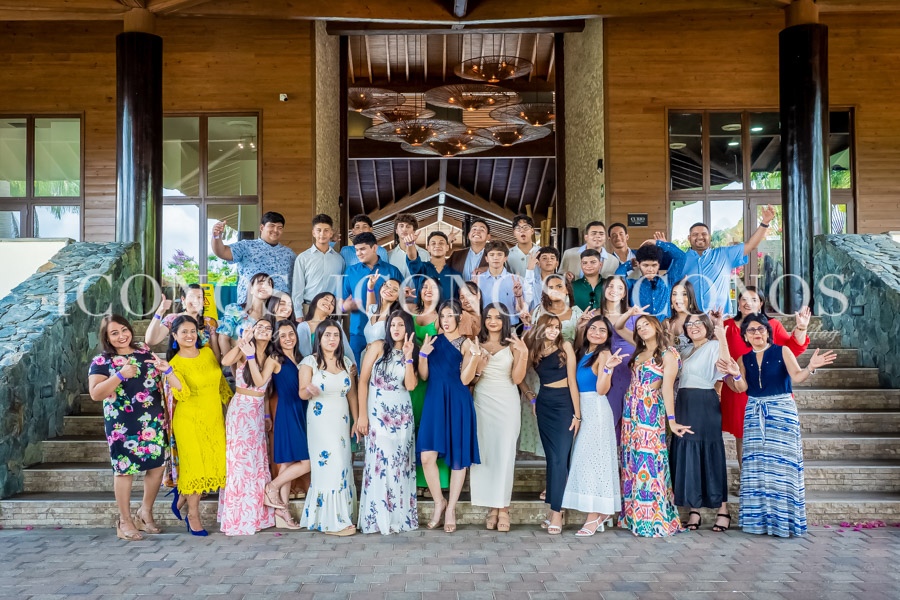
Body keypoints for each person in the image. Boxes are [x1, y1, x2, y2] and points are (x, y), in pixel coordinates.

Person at [720, 313, 836, 538]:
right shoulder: (743, 358)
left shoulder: (783, 351)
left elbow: (797, 377)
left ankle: (784, 521)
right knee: (757, 466)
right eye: (751, 330)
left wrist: (811, 367)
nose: (756, 333)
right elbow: (741, 388)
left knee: (783, 466)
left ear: (768, 332)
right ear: (745, 335)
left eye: (760, 329)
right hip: (754, 413)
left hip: (782, 412)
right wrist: (733, 375)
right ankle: (758, 522)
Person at [88, 315, 168, 541]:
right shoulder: (102, 361)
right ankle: (124, 521)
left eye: (124, 330)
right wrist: (120, 375)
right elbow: (95, 394)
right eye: (114, 333)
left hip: (152, 420)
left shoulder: (143, 350)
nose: (122, 336)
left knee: (157, 466)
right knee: (124, 470)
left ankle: (145, 513)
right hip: (122, 424)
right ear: (106, 337)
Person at [614, 310, 687, 537]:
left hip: (649, 409)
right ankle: (633, 516)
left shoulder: (668, 354)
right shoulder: (640, 348)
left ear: (656, 327)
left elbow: (667, 389)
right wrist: (631, 312)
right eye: (639, 326)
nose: (642, 328)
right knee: (632, 461)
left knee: (649, 461)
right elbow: (618, 327)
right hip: (631, 410)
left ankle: (652, 518)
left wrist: (672, 421)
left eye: (646, 324)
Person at [159, 315, 232, 536]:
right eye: (184, 332)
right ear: (174, 336)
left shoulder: (208, 353)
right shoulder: (174, 364)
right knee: (195, 468)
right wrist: (169, 373)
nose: (190, 335)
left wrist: (230, 407)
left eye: (193, 331)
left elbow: (221, 383)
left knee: (213, 464)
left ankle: (182, 494)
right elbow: (182, 394)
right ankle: (193, 515)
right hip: (189, 421)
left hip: (213, 417)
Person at [417, 300, 481, 533]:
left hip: (457, 401)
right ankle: (439, 502)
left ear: (458, 318)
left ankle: (451, 508)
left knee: (458, 458)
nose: (445, 320)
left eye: (450, 316)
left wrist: (474, 357)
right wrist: (422, 355)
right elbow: (424, 376)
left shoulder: (466, 343)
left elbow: (465, 380)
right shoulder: (432, 340)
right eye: (442, 316)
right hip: (434, 401)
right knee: (427, 457)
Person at [356, 310, 419, 534]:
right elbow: (362, 382)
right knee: (381, 463)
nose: (396, 329)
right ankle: (377, 518)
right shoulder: (377, 347)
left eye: (400, 325)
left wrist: (409, 357)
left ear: (408, 328)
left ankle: (397, 519)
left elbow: (410, 385)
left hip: (402, 416)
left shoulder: (411, 351)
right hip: (377, 415)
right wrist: (362, 415)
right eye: (393, 324)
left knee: (399, 465)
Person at [668, 313, 731, 533]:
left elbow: (725, 367)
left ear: (707, 326)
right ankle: (694, 510)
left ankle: (723, 510)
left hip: (705, 402)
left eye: (698, 323)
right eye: (689, 324)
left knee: (710, 454)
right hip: (684, 402)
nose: (693, 326)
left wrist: (721, 335)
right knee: (688, 454)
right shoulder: (685, 350)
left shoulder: (714, 346)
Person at [561, 315, 623, 536]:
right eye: (593, 328)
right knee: (585, 462)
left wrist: (607, 370)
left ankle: (594, 516)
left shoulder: (604, 354)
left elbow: (602, 390)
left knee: (594, 463)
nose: (597, 333)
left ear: (608, 336)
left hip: (596, 409)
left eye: (602, 330)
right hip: (582, 409)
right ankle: (601, 512)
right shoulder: (582, 353)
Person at [469, 305, 528, 532]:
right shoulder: (476, 343)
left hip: (507, 402)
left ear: (505, 321)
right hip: (482, 401)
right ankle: (491, 506)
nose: (493, 321)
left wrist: (523, 353)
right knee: (485, 454)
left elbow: (517, 379)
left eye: (498, 317)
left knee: (505, 454)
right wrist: (478, 366)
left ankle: (503, 508)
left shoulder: (512, 344)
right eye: (489, 317)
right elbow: (471, 381)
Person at [652, 204, 776, 313]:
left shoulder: (724, 254)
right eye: (695, 234)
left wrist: (765, 223)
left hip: (719, 319)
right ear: (689, 238)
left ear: (709, 237)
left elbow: (751, 245)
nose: (700, 237)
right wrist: (667, 248)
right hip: (690, 321)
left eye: (704, 234)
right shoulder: (680, 259)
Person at [297, 320, 359, 535]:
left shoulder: (346, 362)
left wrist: (356, 420)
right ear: (319, 338)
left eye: (336, 335)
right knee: (330, 465)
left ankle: (341, 515)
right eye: (327, 335)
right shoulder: (309, 362)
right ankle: (332, 522)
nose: (332, 339)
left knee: (342, 464)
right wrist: (309, 390)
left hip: (341, 420)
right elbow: (301, 392)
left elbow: (352, 394)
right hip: (320, 421)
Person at [521, 314, 580, 535]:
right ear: (541, 328)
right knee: (552, 460)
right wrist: (531, 397)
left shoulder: (565, 347)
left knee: (559, 459)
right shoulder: (534, 351)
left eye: (557, 327)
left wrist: (577, 415)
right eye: (549, 326)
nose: (554, 330)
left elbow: (572, 381)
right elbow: (519, 376)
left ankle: (556, 513)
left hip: (565, 405)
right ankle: (553, 510)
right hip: (544, 404)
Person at [218, 320, 276, 536]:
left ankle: (255, 513)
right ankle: (237, 515)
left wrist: (267, 414)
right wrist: (243, 342)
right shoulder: (244, 351)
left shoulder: (271, 358)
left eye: (268, 328)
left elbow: (261, 384)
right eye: (259, 327)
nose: (264, 330)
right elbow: (225, 361)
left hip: (257, 410)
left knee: (254, 460)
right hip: (239, 409)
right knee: (238, 460)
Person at [263, 319, 310, 529]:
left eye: (291, 334)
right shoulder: (275, 358)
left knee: (287, 464)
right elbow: (261, 383)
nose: (288, 338)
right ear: (277, 339)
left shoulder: (301, 358)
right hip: (287, 411)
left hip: (302, 411)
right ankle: (271, 487)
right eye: (283, 335)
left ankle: (283, 513)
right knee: (306, 463)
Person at [408, 278, 451, 493]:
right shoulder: (410, 314)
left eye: (432, 287)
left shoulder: (442, 319)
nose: (427, 290)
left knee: (431, 430)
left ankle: (435, 483)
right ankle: (416, 480)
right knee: (413, 428)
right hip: (411, 378)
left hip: (432, 380)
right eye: (424, 287)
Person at [341, 231, 402, 366]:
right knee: (357, 372)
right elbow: (340, 302)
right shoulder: (350, 271)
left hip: (385, 333)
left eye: (362, 249)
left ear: (374, 248)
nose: (358, 253)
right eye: (356, 250)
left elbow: (402, 299)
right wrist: (345, 306)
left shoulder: (392, 271)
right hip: (357, 332)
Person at [211, 212, 296, 304]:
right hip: (250, 306)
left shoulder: (289, 254)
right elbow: (222, 252)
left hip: (280, 307)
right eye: (272, 226)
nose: (275, 230)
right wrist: (216, 236)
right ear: (262, 228)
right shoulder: (246, 246)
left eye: (280, 228)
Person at [600, 275, 635, 442]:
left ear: (624, 293)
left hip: (628, 367)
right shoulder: (594, 314)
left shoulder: (633, 314)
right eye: (610, 286)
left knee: (629, 413)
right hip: (603, 368)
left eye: (620, 287)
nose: (614, 290)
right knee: (608, 414)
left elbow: (643, 343)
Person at [146, 284, 221, 361]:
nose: (195, 300)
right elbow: (151, 340)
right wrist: (160, 312)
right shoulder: (172, 319)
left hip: (205, 365)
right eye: (191, 297)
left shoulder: (210, 322)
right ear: (183, 299)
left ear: (203, 301)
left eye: (199, 297)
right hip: (179, 364)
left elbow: (216, 353)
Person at [292, 213, 345, 312]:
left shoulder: (339, 259)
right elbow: (297, 288)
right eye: (319, 230)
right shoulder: (303, 258)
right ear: (313, 233)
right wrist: (298, 313)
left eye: (326, 230)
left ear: (331, 233)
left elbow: (341, 286)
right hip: (308, 307)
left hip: (331, 309)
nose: (322, 234)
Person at [217, 272, 274, 355]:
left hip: (262, 360)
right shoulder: (235, 309)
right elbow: (223, 338)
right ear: (251, 289)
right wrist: (231, 362)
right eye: (260, 283)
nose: (264, 286)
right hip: (236, 359)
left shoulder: (272, 315)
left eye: (269, 284)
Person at [476, 241, 526, 326]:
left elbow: (521, 310)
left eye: (499, 254)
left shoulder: (516, 280)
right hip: (486, 326)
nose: (495, 258)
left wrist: (519, 297)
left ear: (505, 258)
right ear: (486, 258)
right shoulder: (478, 280)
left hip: (510, 326)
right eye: (492, 255)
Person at [297, 292, 355, 363]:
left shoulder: (336, 324)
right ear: (316, 301)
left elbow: (346, 349)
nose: (329, 303)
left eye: (332, 303)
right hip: (313, 366)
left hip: (336, 365)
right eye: (326, 299)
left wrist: (353, 364)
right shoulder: (303, 327)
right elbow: (304, 354)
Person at [404, 230, 463, 301]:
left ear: (447, 247)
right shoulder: (421, 268)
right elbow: (413, 258)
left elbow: (458, 301)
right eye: (433, 243)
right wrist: (410, 244)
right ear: (428, 248)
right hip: (423, 308)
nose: (437, 246)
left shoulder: (456, 275)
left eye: (441, 243)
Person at [619, 244, 670, 319]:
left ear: (659, 265)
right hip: (639, 325)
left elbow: (681, 257)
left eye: (654, 265)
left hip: (666, 325)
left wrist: (660, 243)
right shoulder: (632, 284)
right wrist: (628, 264)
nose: (650, 269)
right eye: (645, 265)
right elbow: (617, 278)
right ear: (638, 264)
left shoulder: (668, 281)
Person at [363, 275, 403, 356]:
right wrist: (370, 287)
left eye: (395, 290)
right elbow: (369, 305)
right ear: (381, 288)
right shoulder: (373, 309)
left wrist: (375, 349)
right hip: (367, 356)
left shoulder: (396, 317)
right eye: (387, 286)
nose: (389, 290)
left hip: (384, 358)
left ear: (398, 297)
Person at [662, 280, 703, 355]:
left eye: (683, 294)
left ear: (690, 298)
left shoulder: (700, 319)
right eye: (675, 294)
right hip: (673, 361)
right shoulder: (666, 323)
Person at [387, 213, 430, 281]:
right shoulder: (389, 255)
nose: (404, 229)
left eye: (408, 226)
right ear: (396, 230)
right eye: (401, 226)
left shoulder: (424, 254)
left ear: (414, 231)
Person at [524, 246, 561, 310]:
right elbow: (526, 300)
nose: (549, 260)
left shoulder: (562, 283)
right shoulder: (532, 282)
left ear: (556, 263)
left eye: (552, 258)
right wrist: (530, 269)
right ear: (538, 263)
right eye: (544, 258)